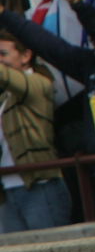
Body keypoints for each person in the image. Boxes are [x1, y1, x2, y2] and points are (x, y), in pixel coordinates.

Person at [0, 28, 68, 233]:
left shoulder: (39, 83)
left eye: (3, 54)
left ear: (26, 55)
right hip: (7, 190)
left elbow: (10, 79)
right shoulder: (4, 98)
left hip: (40, 186)